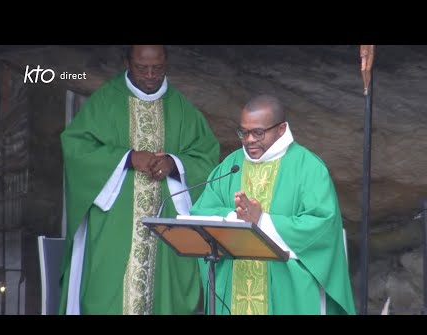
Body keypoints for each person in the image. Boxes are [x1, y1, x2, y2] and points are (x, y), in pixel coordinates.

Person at [59, 45, 220, 315]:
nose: (149, 75)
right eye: (141, 67)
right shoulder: (105, 101)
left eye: (157, 68)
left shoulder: (182, 109)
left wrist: (175, 164)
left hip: (165, 236)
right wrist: (127, 158)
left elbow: (207, 158)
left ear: (166, 62)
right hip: (113, 229)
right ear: (127, 63)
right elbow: (77, 149)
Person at [190, 94, 356, 315]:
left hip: (287, 289)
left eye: (258, 132)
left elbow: (321, 226)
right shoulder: (231, 165)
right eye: (243, 132)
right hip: (234, 288)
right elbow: (201, 212)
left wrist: (262, 221)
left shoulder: (308, 167)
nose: (249, 140)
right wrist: (234, 218)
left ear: (281, 129)